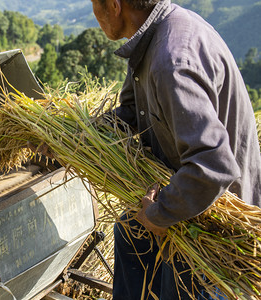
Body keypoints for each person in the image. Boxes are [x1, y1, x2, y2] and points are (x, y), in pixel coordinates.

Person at [89, 0, 261, 299]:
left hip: (213, 216)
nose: (94, 14)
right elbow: (131, 115)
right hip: (188, 192)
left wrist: (160, 213)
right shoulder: (152, 40)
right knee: (129, 231)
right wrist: (80, 136)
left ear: (115, 6)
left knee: (176, 281)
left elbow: (213, 165)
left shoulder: (171, 61)